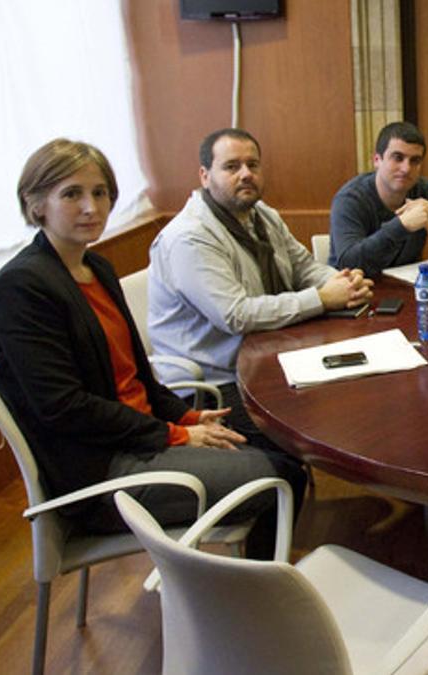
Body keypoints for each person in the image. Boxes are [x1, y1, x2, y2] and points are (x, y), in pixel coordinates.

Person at [0, 139, 302, 558]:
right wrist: (175, 433)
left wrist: (185, 414)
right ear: (36, 203)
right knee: (281, 475)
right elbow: (64, 406)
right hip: (100, 473)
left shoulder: (94, 267)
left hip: (138, 438)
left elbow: (133, 374)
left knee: (278, 449)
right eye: (72, 194)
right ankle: (250, 600)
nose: (91, 207)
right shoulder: (22, 286)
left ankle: (247, 585)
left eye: (100, 193)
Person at [149, 128, 373, 449]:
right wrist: (323, 299)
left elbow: (303, 267)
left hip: (266, 354)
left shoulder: (261, 214)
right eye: (231, 167)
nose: (245, 175)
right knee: (300, 436)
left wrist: (341, 283)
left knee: (355, 393)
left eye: (252, 165)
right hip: (216, 382)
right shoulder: (189, 237)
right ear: (204, 175)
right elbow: (236, 315)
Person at [329, 121, 428, 277]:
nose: (406, 169)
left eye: (415, 161)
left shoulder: (426, 192)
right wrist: (402, 226)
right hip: (355, 292)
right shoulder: (350, 199)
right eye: (397, 158)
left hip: (406, 289)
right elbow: (349, 263)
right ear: (377, 160)